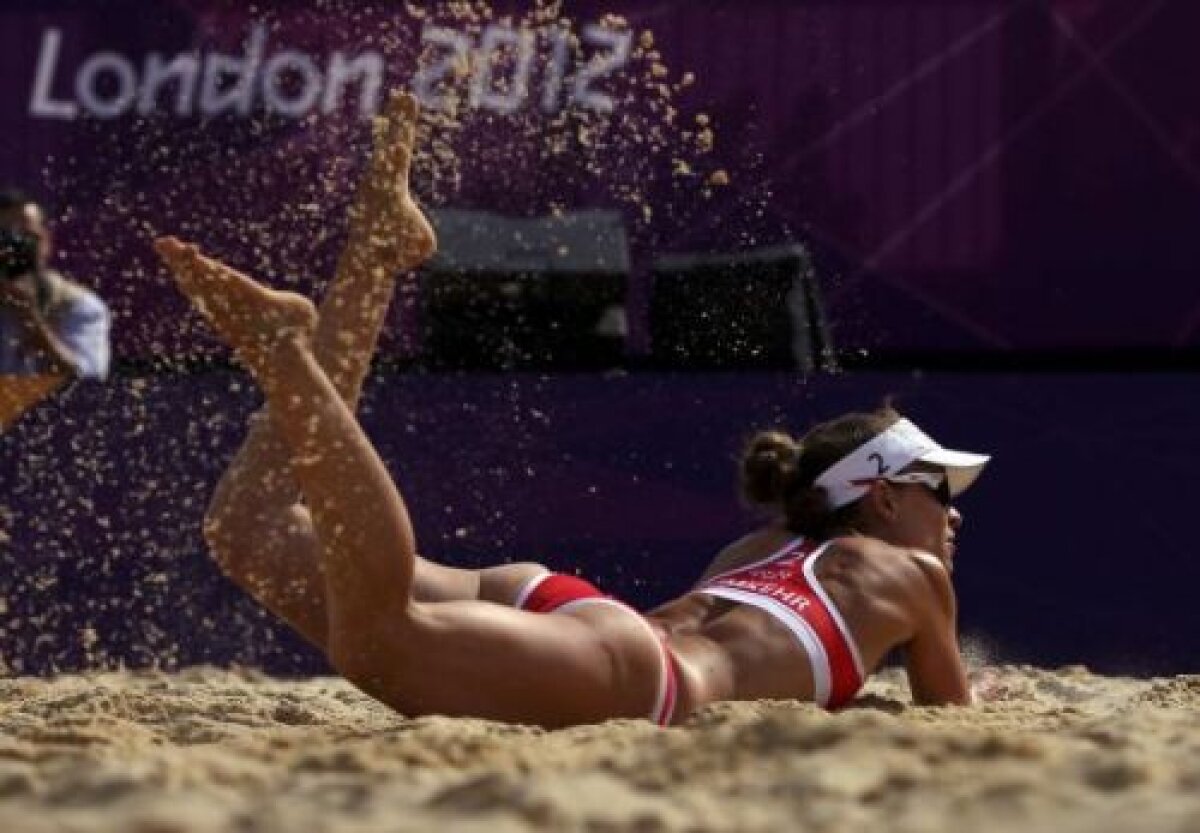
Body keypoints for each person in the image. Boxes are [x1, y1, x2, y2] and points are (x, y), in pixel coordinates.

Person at [155, 92, 990, 728]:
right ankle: (290, 359)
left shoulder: (760, 546)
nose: (953, 516)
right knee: (377, 638)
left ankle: (373, 258)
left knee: (246, 530)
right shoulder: (917, 578)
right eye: (939, 490)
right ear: (883, 497)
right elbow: (949, 709)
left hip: (578, 612)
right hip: (640, 674)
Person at [0, 188, 111, 379]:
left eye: (25, 236)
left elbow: (89, 381)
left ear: (45, 240)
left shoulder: (76, 304)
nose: (13, 247)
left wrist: (33, 321)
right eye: (4, 236)